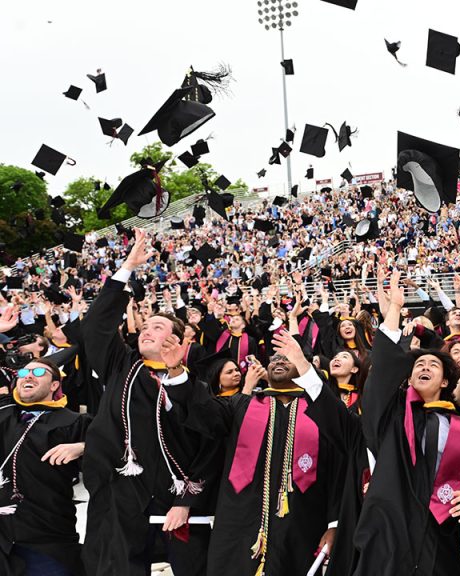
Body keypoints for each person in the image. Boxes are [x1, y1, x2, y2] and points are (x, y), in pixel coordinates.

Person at [81, 229, 219, 576]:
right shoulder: (121, 364)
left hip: (171, 497)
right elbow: (96, 326)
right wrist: (127, 266)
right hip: (120, 492)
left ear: (177, 341)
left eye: (157, 327)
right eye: (145, 325)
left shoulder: (191, 384)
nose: (146, 329)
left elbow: (208, 442)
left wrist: (187, 501)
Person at [351, 269, 460, 575]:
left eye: (432, 364)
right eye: (418, 364)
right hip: (387, 534)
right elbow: (382, 375)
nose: (424, 366)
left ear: (445, 380)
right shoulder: (392, 413)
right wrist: (395, 310)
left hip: (438, 538)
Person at [206, 330, 353, 575]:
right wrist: (176, 371)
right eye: (274, 359)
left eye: (287, 358)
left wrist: (335, 523)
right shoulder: (242, 405)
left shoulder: (323, 413)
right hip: (240, 523)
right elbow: (201, 422)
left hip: (303, 522)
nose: (278, 361)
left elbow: (340, 470)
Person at [0, 358, 90, 576]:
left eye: (39, 371)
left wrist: (83, 446)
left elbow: (115, 447)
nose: (28, 376)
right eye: (23, 373)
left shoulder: (74, 421)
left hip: (46, 534)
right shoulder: (4, 412)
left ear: (54, 385)